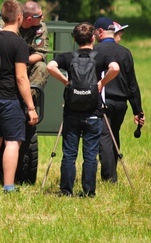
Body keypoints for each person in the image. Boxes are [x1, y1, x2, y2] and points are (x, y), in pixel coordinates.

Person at [47, 22, 120, 197]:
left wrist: (66, 82)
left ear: (75, 39)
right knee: (90, 154)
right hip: (93, 112)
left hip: (72, 112)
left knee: (69, 154)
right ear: (93, 38)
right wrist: (101, 83)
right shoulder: (100, 57)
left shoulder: (68, 56)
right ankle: (88, 191)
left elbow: (50, 66)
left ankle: (66, 190)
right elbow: (115, 68)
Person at [0, 0, 39, 193]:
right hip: (9, 98)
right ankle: (8, 186)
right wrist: (31, 107)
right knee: (12, 142)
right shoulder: (19, 44)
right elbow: (22, 78)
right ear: (20, 18)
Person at [94, 16, 145, 183]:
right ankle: (111, 170)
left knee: (104, 137)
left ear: (100, 32)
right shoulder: (125, 52)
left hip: (102, 100)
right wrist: (137, 109)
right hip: (120, 104)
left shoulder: (94, 51)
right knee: (113, 135)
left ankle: (109, 177)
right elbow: (132, 84)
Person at [18, 1, 49, 98]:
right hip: (8, 63)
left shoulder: (40, 27)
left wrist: (21, 62)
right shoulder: (9, 23)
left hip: (27, 63)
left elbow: (40, 53)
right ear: (29, 19)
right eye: (40, 16)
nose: (42, 18)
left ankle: (28, 102)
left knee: (42, 66)